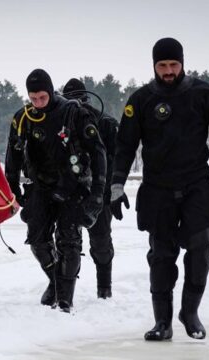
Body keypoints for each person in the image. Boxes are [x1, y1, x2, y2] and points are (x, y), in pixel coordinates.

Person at [110, 38, 209, 341]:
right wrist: (117, 185)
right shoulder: (140, 100)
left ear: (182, 63)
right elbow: (125, 144)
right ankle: (162, 322)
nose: (168, 71)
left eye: (173, 64)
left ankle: (190, 312)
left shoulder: (203, 94)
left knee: (201, 246)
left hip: (196, 183)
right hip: (158, 187)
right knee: (161, 254)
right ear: (154, 66)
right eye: (162, 65)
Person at [6, 69, 107, 313]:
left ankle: (64, 300)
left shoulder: (74, 113)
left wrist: (97, 193)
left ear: (51, 92)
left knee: (69, 241)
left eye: (42, 97)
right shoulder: (24, 118)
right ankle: (55, 280)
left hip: (73, 185)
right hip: (41, 185)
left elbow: (98, 153)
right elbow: (13, 155)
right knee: (37, 239)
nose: (38, 103)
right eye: (33, 98)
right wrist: (13, 187)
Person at [62, 78, 119, 299]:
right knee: (67, 244)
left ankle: (104, 288)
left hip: (99, 191)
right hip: (69, 192)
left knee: (101, 241)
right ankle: (62, 292)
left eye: (79, 100)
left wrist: (114, 190)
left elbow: (116, 160)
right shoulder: (59, 122)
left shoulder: (105, 123)